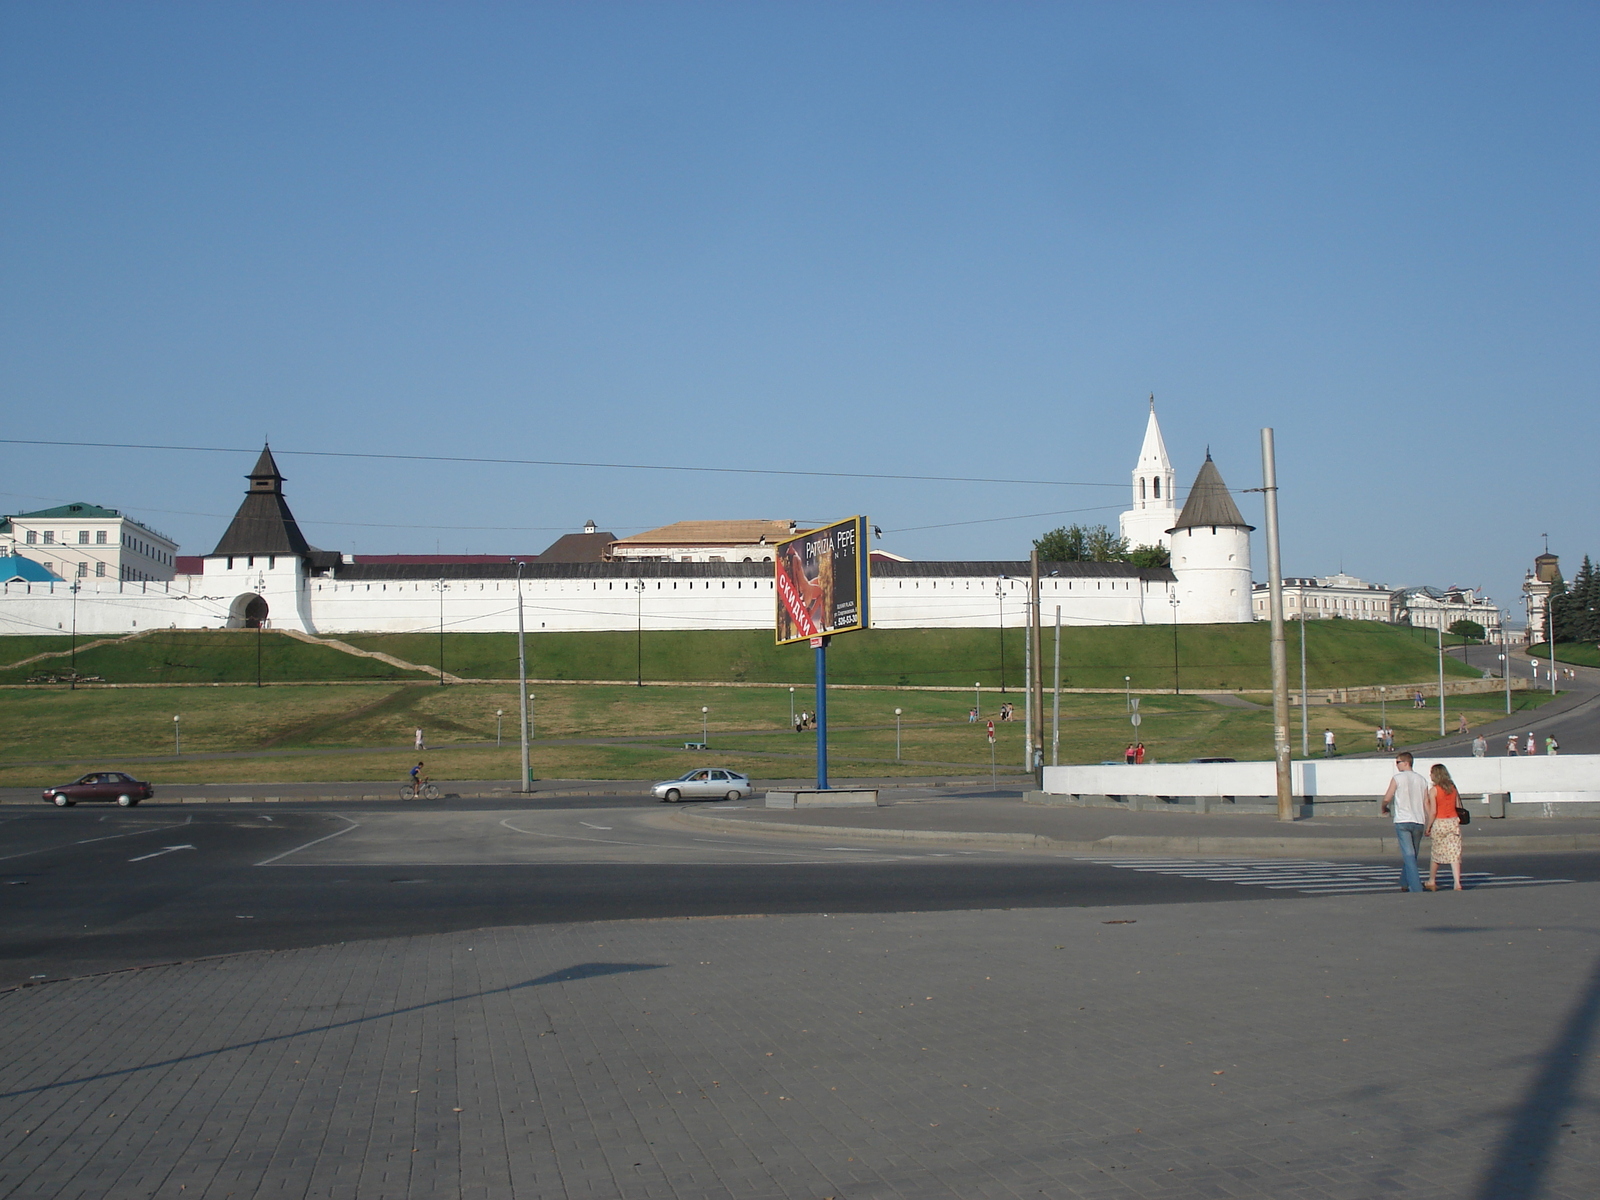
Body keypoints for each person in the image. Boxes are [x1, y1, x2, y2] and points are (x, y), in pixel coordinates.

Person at [1381, 752, 1429, 893]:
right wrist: (1430, 820)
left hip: (1402, 820)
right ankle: (1404, 881)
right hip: (1419, 820)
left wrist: (1384, 806)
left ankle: (1416, 887)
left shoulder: (1398, 778)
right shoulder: (1421, 779)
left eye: (1398, 762)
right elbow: (1426, 802)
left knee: (1409, 855)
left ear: (1406, 762)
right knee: (1412, 854)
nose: (1396, 765)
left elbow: (1388, 796)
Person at [1424, 763, 1464, 892]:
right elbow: (1458, 806)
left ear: (1436, 775)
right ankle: (1457, 882)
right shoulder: (1452, 788)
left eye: (1431, 773)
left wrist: (1428, 827)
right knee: (1454, 853)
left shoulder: (1434, 790)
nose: (1430, 775)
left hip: (1440, 822)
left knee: (1437, 852)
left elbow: (1433, 811)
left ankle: (1432, 879)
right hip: (1453, 821)